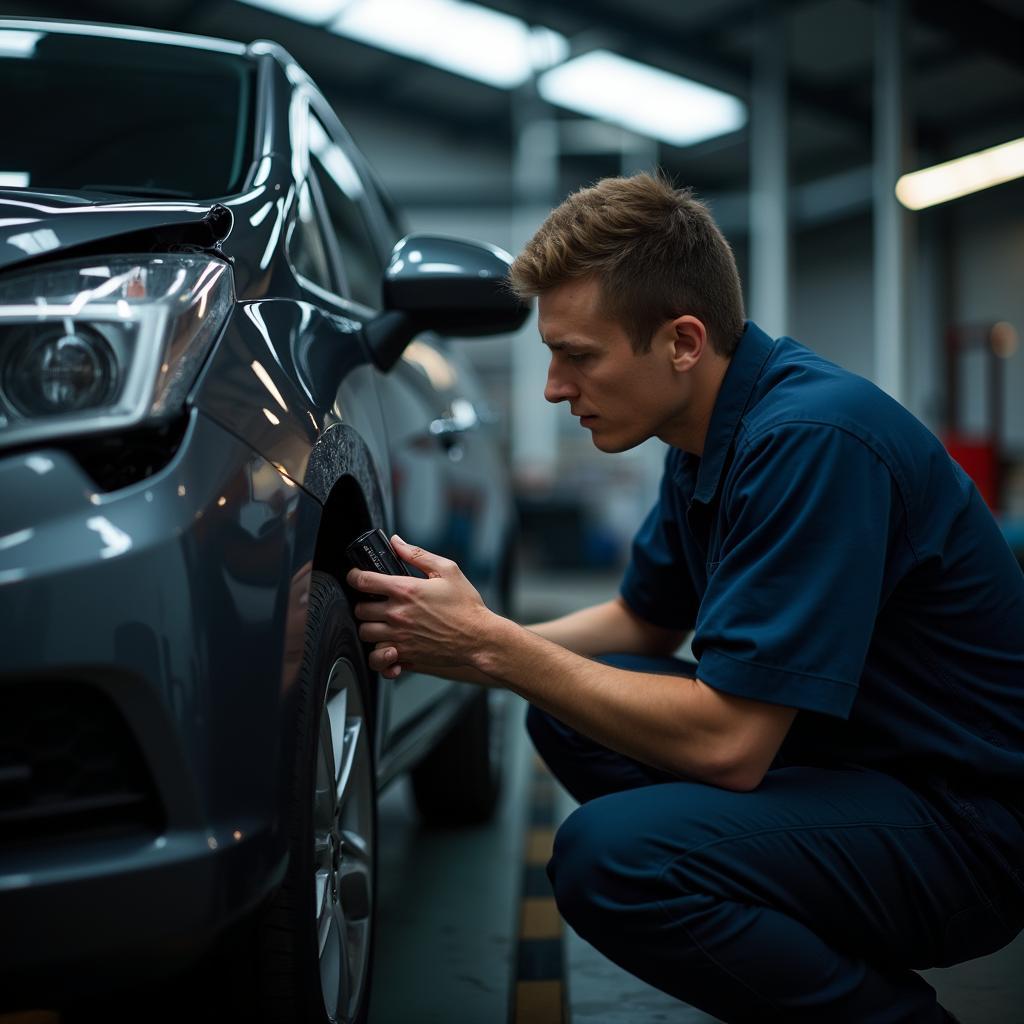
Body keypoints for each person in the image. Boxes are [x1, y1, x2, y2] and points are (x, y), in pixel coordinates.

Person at [347, 172, 1024, 1023]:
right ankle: (788, 934)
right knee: (563, 710)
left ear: (683, 341)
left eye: (579, 356)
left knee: (613, 859)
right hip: (854, 760)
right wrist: (450, 639)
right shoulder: (703, 435)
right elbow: (644, 621)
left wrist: (492, 647)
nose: (556, 388)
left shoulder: (808, 442)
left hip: (966, 829)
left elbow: (731, 745)